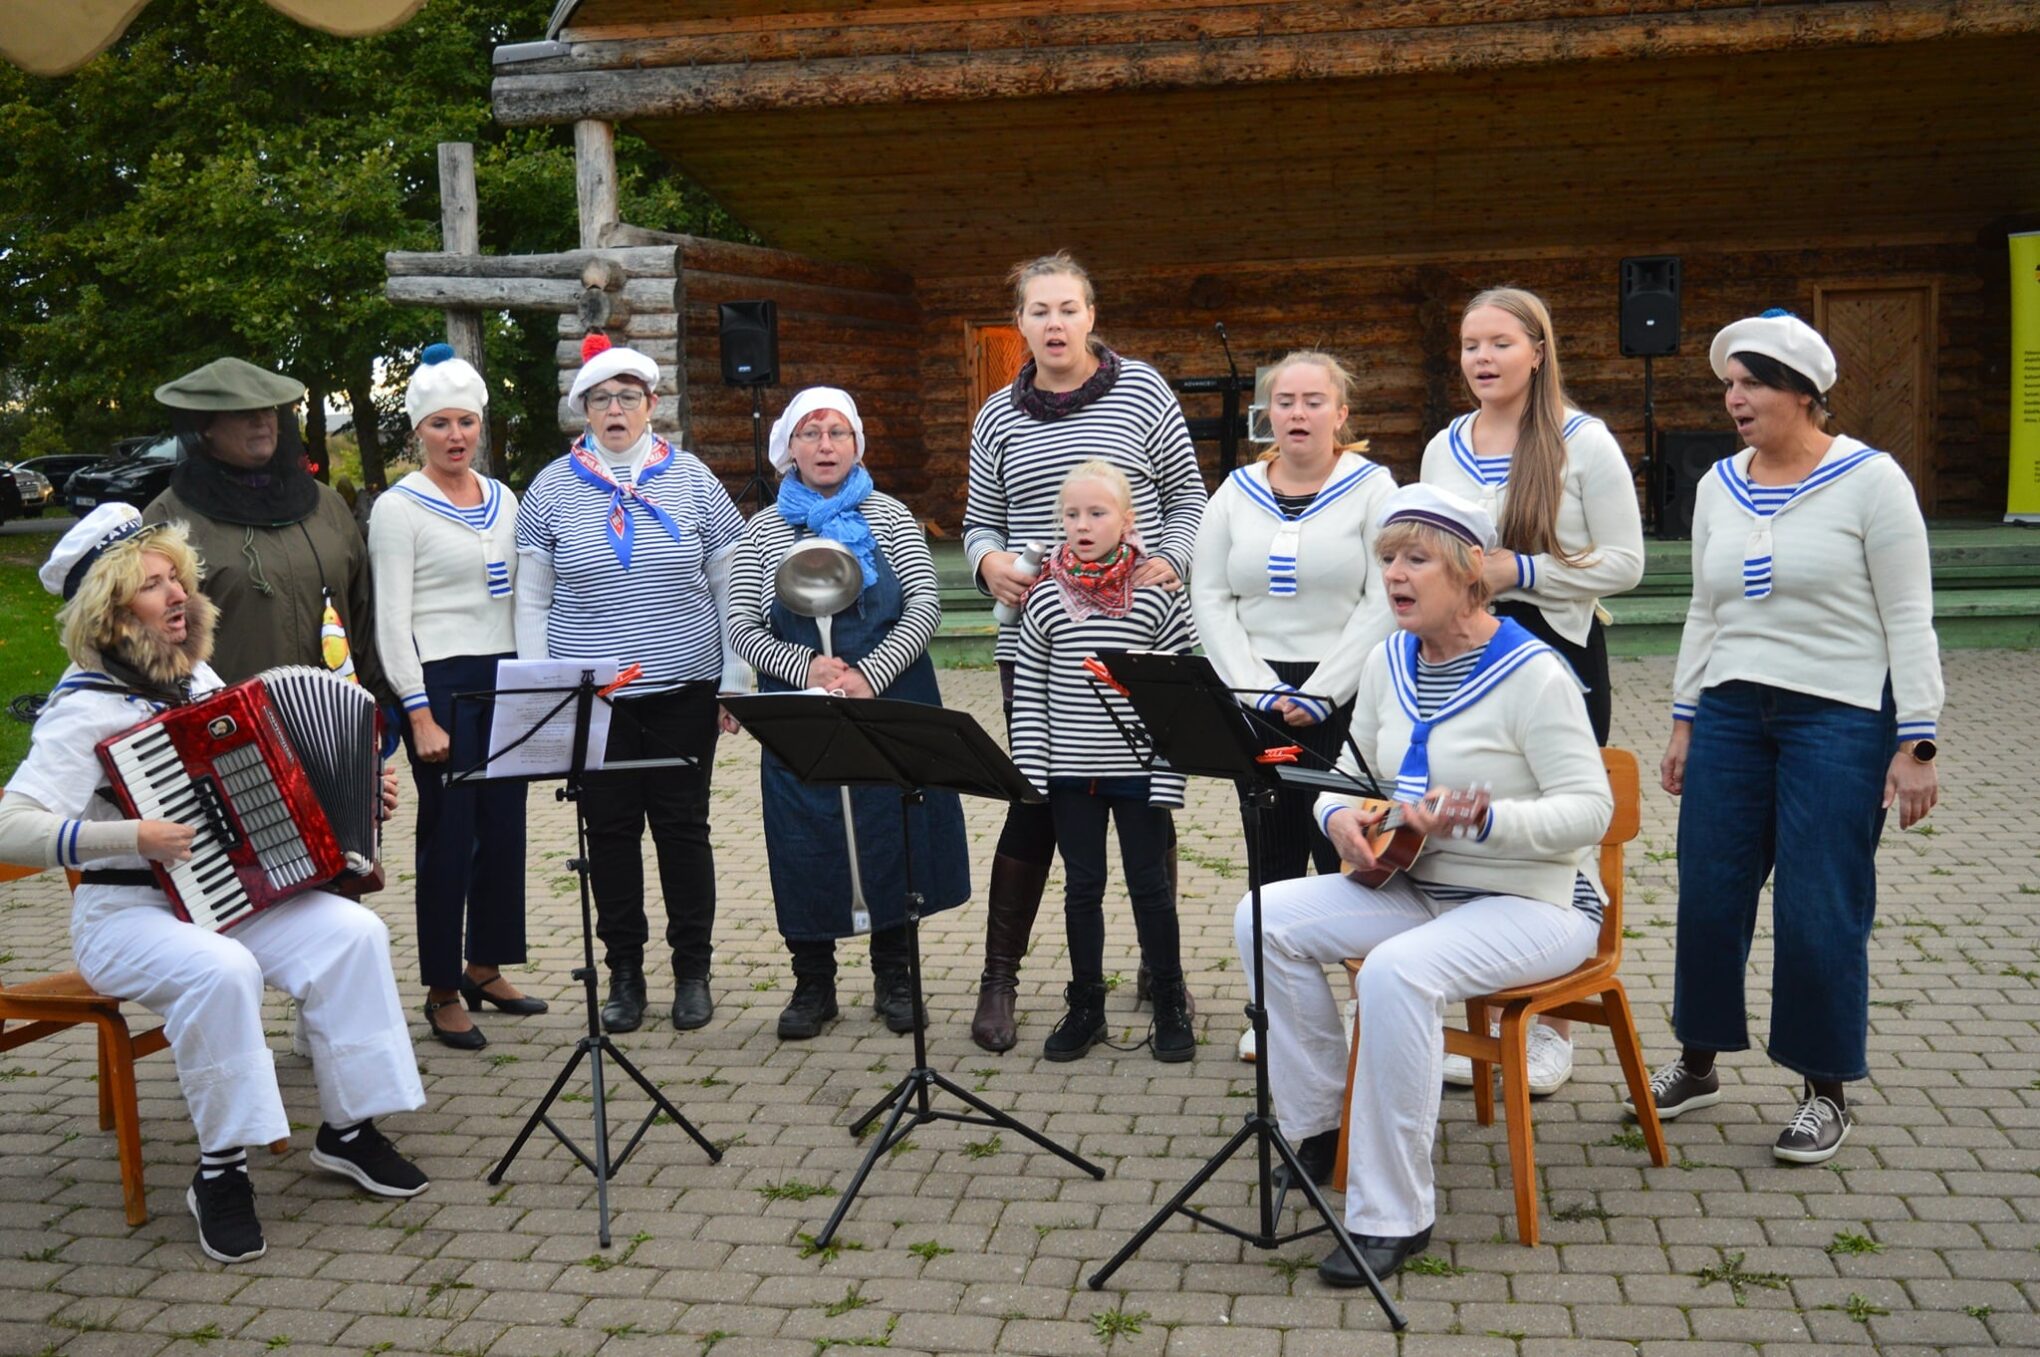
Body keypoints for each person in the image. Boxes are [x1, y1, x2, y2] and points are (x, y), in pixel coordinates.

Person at [0, 506, 427, 1265]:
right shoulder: (82, 711)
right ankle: (221, 1170)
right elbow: (10, 827)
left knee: (353, 932)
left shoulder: (193, 675)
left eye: (176, 579)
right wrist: (129, 835)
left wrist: (356, 800)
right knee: (223, 969)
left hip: (223, 895)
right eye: (149, 586)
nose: (176, 597)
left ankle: (349, 1128)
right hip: (125, 912)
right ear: (108, 611)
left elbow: (264, 774)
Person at [1237, 485, 1610, 1285]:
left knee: (1401, 975)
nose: (1396, 576)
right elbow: (1351, 777)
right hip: (1414, 882)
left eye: (1416, 559)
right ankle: (1322, 1128)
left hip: (1534, 901)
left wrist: (1484, 822)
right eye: (1386, 560)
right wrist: (1337, 818)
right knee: (1260, 916)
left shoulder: (1534, 673)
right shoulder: (1388, 658)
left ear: (1471, 573)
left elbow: (1592, 810)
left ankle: (1393, 1216)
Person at [1644, 310, 1941, 1164]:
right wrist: (1685, 715)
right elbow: (1707, 607)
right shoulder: (1716, 485)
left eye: (1752, 383)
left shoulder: (1871, 481)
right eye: (1729, 385)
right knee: (1709, 891)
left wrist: (1917, 741)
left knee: (1819, 904)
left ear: (1804, 393)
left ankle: (1823, 1087)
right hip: (1732, 713)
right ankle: (1699, 1062)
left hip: (1841, 717)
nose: (1734, 399)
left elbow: (1910, 617)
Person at [963, 250, 1207, 1052]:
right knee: (1043, 794)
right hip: (1041, 635)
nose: (1054, 323)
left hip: (1137, 621)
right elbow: (978, 521)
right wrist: (989, 561)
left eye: (1068, 308)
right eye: (1039, 311)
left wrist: (1173, 558)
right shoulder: (997, 415)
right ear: (1021, 323)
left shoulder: (1144, 391)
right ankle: (1002, 976)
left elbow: (1187, 499)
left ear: (1091, 316)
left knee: (1144, 793)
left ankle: (1159, 970)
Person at [1419, 287, 1644, 1096]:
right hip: (1464, 653)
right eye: (1471, 344)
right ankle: (1477, 1014)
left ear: (1538, 350)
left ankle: (1549, 1025)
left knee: (1555, 835)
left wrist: (1526, 570)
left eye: (1500, 343)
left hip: (1557, 649)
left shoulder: (1584, 441)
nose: (1482, 358)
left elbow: (1627, 561)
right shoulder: (1446, 445)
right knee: (1472, 820)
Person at [514, 333, 746, 1034]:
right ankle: (624, 973)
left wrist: (737, 675)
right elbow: (531, 597)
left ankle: (692, 971)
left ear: (652, 405)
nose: (614, 409)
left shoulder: (696, 478)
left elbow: (728, 578)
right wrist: (543, 688)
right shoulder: (551, 487)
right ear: (583, 408)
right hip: (596, 696)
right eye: (600, 398)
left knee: (683, 829)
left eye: (627, 396)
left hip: (684, 688)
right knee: (609, 833)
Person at [727, 387, 971, 1039]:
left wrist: (871, 672)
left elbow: (924, 604)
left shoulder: (890, 516)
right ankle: (813, 981)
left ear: (856, 443)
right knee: (807, 836)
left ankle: (895, 974)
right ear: (789, 449)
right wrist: (802, 667)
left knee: (891, 826)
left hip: (886, 698)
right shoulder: (763, 531)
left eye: (837, 432)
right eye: (810, 433)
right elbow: (743, 625)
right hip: (801, 706)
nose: (825, 444)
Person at [1191, 350, 1396, 1063]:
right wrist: (1252, 687)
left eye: (1314, 401)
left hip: (1345, 695)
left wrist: (1323, 691)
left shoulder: (1375, 489)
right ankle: (1273, 1010)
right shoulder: (1235, 491)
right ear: (1266, 414)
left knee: (1345, 854)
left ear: (1342, 414)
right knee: (1270, 853)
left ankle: (1369, 1003)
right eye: (1285, 401)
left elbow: (1384, 595)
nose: (1299, 413)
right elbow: (1210, 595)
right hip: (1256, 697)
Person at [368, 345, 542, 1051]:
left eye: (466, 421)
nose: (455, 436)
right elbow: (389, 618)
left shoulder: (507, 499)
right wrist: (416, 707)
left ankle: (485, 965)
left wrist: (535, 680)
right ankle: (441, 986)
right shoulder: (396, 507)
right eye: (440, 424)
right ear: (419, 431)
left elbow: (528, 593)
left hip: (503, 674)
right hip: (438, 682)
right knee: (448, 836)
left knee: (504, 829)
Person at [1010, 461, 1199, 1063]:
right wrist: (1034, 774)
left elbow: (1183, 693)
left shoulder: (1158, 594)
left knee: (1150, 887)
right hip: (1070, 776)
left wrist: (1170, 775)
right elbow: (1031, 695)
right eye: (1072, 514)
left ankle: (1169, 997)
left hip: (1140, 773)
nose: (1083, 524)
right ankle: (1087, 1004)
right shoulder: (1043, 598)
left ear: (1128, 519)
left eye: (1097, 513)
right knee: (1081, 887)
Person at [142, 358, 386, 695]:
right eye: (243, 412)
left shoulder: (327, 506)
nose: (261, 422)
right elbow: (148, 638)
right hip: (235, 732)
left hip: (337, 719)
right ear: (206, 426)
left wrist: (380, 697)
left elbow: (364, 609)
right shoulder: (167, 521)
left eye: (268, 410)